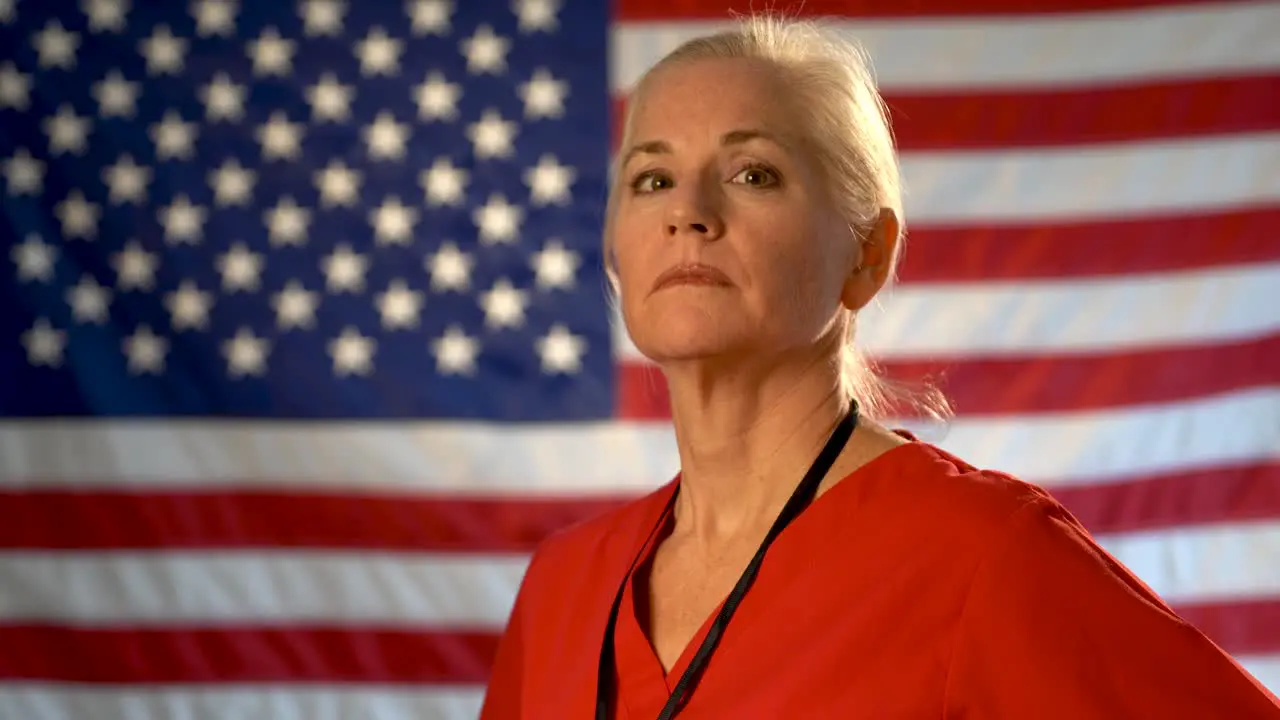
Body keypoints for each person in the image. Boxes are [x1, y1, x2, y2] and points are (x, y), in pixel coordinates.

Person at [479, 13, 1280, 719]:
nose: (688, 210)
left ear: (869, 254)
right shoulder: (563, 588)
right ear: (616, 250)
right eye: (652, 179)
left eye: (752, 173)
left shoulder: (983, 557)